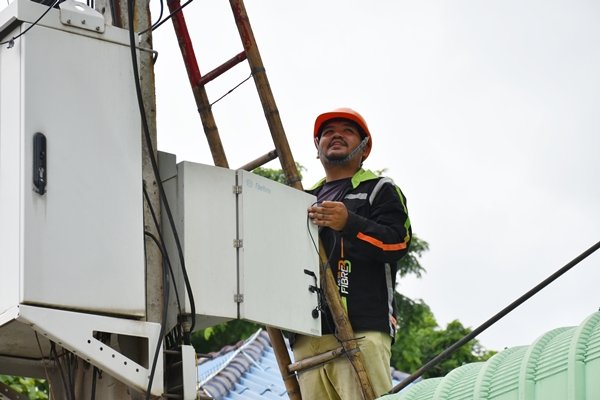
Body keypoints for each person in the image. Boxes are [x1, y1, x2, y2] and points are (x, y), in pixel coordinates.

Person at [292, 108, 412, 399]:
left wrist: (349, 223)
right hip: (307, 335)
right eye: (328, 132)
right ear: (317, 148)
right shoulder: (301, 199)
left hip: (361, 329)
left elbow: (397, 243)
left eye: (347, 130)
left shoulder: (379, 189)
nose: (336, 135)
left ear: (364, 148)